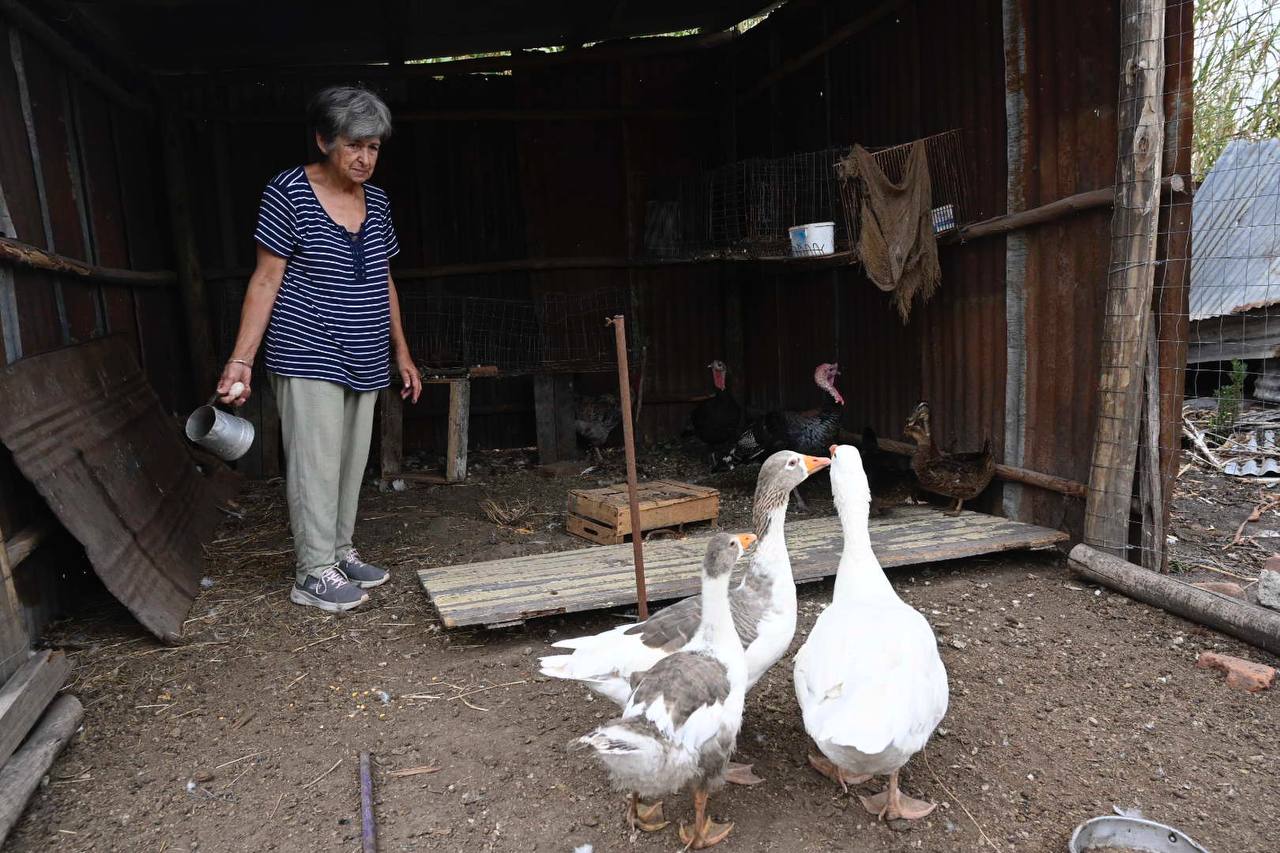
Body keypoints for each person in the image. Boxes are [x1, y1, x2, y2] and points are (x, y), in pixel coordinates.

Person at [216, 85, 422, 612]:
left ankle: (338, 550)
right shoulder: (287, 192)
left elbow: (385, 278)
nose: (365, 158)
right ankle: (312, 571)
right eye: (354, 145)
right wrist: (241, 360)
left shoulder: (376, 202)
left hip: (368, 349)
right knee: (315, 462)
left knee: (352, 461)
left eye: (374, 147)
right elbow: (265, 280)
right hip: (307, 348)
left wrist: (402, 352)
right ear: (323, 139)